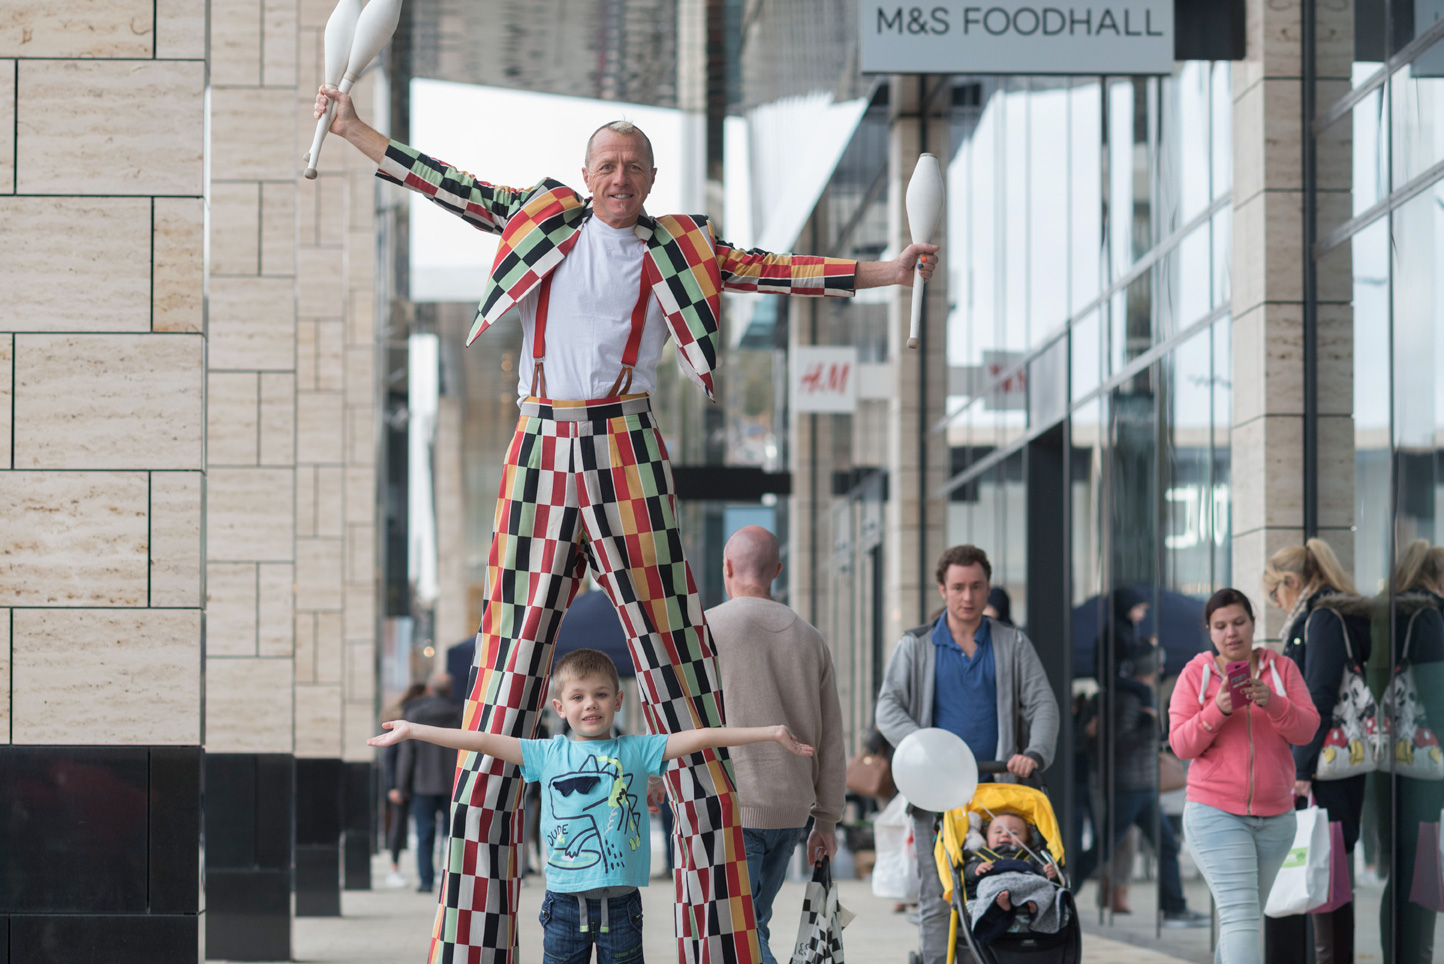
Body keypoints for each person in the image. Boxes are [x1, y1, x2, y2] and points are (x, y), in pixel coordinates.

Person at [315, 86, 937, 964]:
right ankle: (467, 945)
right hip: (538, 444)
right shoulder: (539, 214)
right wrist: (352, 131)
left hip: (629, 445)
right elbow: (447, 185)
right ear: (585, 174)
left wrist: (887, 271)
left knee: (683, 684)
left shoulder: (680, 247)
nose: (618, 178)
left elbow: (780, 269)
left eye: (633, 168)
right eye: (606, 165)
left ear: (651, 179)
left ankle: (718, 946)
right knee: (500, 686)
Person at [368, 648, 814, 964]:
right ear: (560, 707)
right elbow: (481, 739)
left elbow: (703, 737)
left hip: (623, 906)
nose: (590, 705)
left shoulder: (638, 750)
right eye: (578, 697)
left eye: (600, 694)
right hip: (562, 906)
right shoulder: (547, 754)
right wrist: (414, 729)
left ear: (618, 701)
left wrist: (770, 732)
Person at [876, 544, 1060, 964]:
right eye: (958, 587)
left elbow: (1043, 704)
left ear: (988, 587)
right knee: (938, 892)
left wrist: (1034, 752)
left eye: (976, 586)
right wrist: (926, 749)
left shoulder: (1012, 643)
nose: (968, 596)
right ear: (942, 589)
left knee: (1002, 884)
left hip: (998, 790)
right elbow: (888, 708)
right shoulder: (917, 644)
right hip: (935, 795)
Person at [704, 525, 846, 964]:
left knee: (737, 933)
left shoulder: (705, 630)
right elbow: (832, 737)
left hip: (733, 805)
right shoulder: (810, 638)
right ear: (777, 571)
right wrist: (827, 819)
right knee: (754, 924)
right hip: (790, 812)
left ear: (726, 567)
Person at [1169, 589, 1320, 964]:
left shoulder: (1282, 670)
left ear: (1253, 624)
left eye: (1239, 623)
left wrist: (1274, 702)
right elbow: (1181, 744)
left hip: (1276, 818)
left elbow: (1307, 730)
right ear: (1210, 630)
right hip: (1215, 812)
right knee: (1241, 917)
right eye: (1220, 626)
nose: (1231, 633)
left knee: (1244, 919)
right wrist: (1217, 711)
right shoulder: (1196, 674)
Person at [1263, 538, 1372, 964]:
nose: (1275, 602)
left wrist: (1302, 769)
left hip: (1326, 767)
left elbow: (1319, 697)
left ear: (1293, 581)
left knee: (1330, 879)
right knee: (1330, 874)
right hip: (1333, 764)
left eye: (1275, 591)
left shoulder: (1322, 618)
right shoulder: (1330, 615)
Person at [1075, 641, 1207, 927]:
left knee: (1166, 846)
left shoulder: (1136, 695)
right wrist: (1149, 729)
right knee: (1104, 848)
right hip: (1129, 787)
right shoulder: (1131, 699)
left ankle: (1174, 908)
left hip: (1141, 787)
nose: (1160, 669)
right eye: (1156, 664)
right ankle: (1062, 891)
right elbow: (1117, 742)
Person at [1383, 539, 1444, 964]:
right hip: (1423, 764)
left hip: (1396, 760)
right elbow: (1436, 695)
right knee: (1419, 866)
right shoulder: (1425, 617)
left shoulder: (1393, 614)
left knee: (1406, 867)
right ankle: (1414, 957)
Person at [394, 672, 464, 894]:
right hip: (455, 784)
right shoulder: (461, 713)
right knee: (454, 835)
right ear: (450, 690)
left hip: (422, 784)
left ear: (431, 689)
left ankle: (426, 881)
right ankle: (452, 883)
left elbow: (407, 755)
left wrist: (401, 786)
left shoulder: (415, 713)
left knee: (424, 834)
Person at [962, 812, 1064, 944]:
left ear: (1027, 840)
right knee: (986, 890)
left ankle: (1035, 907)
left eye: (1014, 833)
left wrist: (1049, 873)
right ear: (986, 837)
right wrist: (976, 869)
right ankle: (1000, 907)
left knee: (1047, 888)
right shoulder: (982, 856)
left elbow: (1042, 874)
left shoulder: (1031, 856)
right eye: (998, 831)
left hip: (1027, 885)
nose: (1005, 835)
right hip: (997, 884)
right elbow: (967, 872)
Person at [381, 680, 427, 888]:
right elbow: (390, 755)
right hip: (405, 781)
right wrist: (392, 785)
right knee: (399, 826)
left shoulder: (413, 714)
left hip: (414, 779)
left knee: (406, 826)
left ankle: (396, 868)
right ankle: (393, 868)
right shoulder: (402, 716)